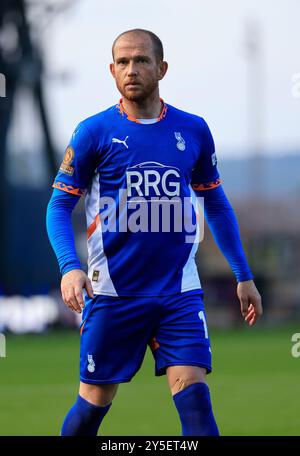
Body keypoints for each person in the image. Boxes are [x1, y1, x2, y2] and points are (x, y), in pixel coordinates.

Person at [46, 28, 263, 436]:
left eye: (142, 60)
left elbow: (215, 202)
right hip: (112, 294)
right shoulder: (93, 132)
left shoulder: (193, 130)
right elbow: (58, 206)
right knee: (92, 406)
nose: (132, 70)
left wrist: (243, 274)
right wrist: (69, 267)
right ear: (111, 71)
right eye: (123, 62)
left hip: (178, 292)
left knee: (196, 403)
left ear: (161, 68)